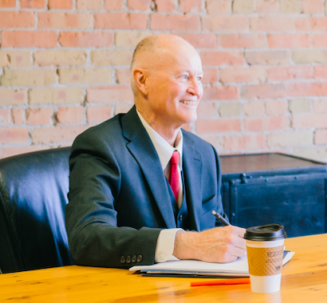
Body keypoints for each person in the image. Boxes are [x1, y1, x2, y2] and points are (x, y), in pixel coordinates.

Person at [65, 34, 246, 268]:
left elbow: (217, 234)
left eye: (199, 78)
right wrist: (183, 244)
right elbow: (86, 240)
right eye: (184, 77)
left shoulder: (205, 153)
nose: (197, 90)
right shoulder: (100, 146)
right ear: (142, 81)